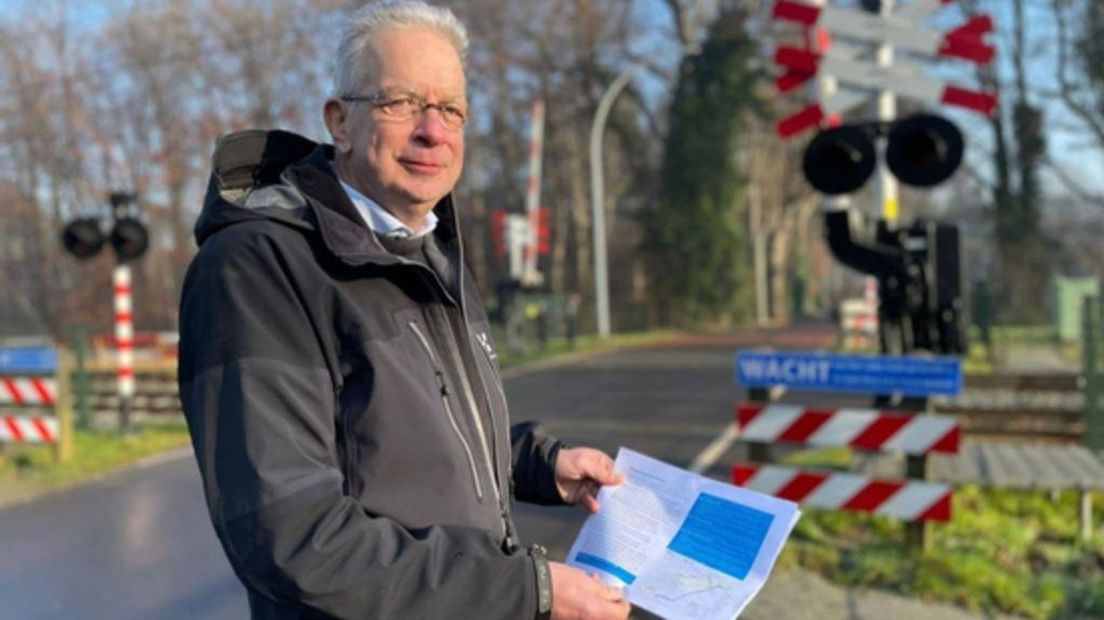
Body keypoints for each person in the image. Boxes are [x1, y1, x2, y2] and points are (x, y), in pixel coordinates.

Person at [177, 1, 631, 619]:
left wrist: (537, 465)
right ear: (339, 121)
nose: (433, 131)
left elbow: (407, 441)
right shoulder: (257, 268)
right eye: (401, 103)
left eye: (451, 110)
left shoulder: (427, 247)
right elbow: (290, 533)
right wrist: (528, 590)